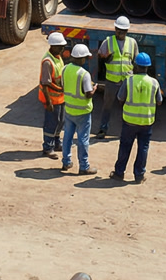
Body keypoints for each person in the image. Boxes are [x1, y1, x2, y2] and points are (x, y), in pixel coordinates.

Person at [112, 52, 162, 183]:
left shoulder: (129, 81)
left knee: (125, 147)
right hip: (146, 121)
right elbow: (159, 101)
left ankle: (119, 173)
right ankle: (139, 175)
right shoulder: (154, 83)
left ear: (136, 66)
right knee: (143, 148)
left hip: (129, 121)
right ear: (148, 67)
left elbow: (120, 98)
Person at [95, 16, 138, 138]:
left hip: (127, 81)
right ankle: (103, 129)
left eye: (124, 31)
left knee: (127, 107)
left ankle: (127, 130)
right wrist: (106, 58)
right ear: (115, 29)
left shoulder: (132, 43)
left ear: (127, 31)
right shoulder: (108, 42)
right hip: (112, 81)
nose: (121, 33)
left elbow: (135, 60)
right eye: (119, 30)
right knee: (107, 106)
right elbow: (100, 56)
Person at [61, 44, 97, 175]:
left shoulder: (65, 69)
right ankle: (84, 166)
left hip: (69, 109)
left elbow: (63, 86)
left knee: (67, 137)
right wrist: (94, 90)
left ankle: (66, 162)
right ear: (82, 58)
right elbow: (88, 94)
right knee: (83, 140)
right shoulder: (84, 74)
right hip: (83, 112)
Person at [39, 31, 68, 157]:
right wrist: (48, 102)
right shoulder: (47, 62)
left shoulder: (58, 57)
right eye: (60, 46)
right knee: (51, 123)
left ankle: (56, 142)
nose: (62, 49)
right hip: (51, 99)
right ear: (52, 46)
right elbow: (45, 84)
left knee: (60, 121)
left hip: (60, 98)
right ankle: (47, 147)